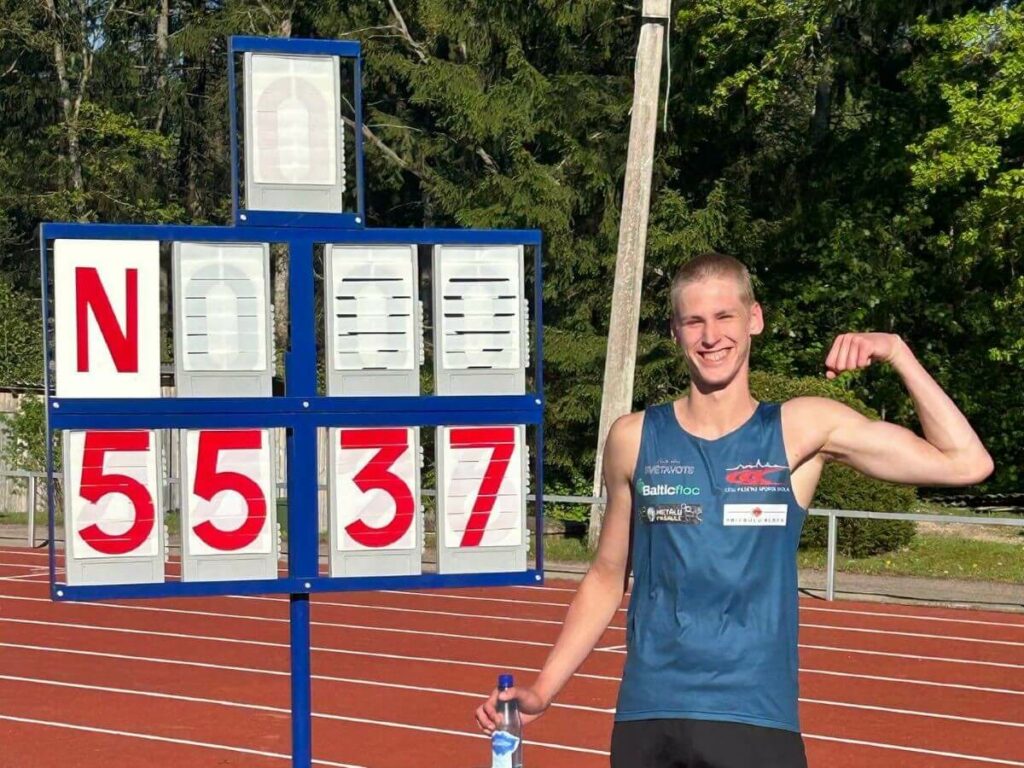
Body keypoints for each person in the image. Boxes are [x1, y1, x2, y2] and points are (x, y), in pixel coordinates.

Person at [474, 252, 993, 768]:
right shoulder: (633, 438)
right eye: (694, 321)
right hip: (650, 717)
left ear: (754, 320)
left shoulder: (800, 428)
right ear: (675, 331)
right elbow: (607, 576)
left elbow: (965, 462)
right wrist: (544, 690)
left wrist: (898, 352)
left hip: (756, 718)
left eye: (725, 316)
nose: (710, 336)